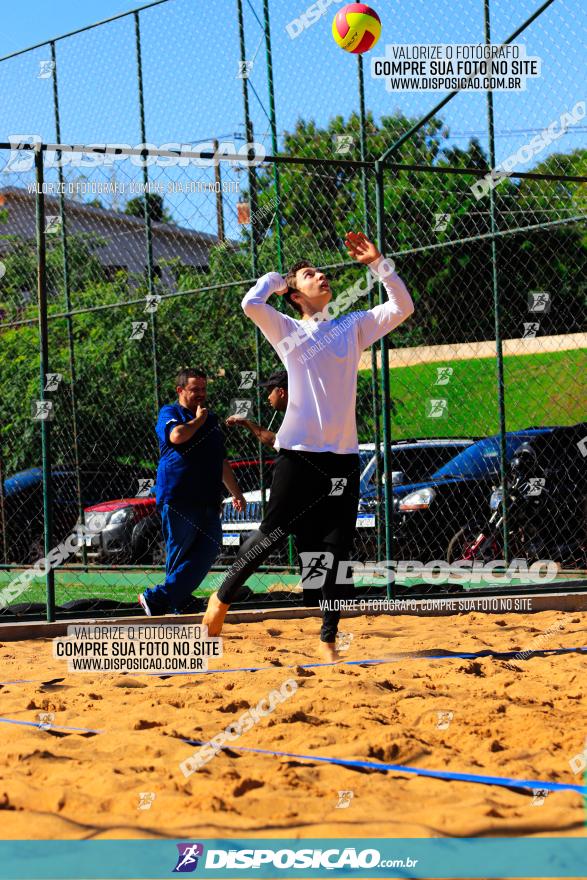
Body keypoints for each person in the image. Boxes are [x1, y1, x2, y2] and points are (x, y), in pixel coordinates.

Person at [203, 232, 414, 660]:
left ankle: (328, 639)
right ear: (295, 294)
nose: (321, 276)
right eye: (309, 274)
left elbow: (401, 307)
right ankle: (221, 599)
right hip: (298, 454)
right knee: (272, 534)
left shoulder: (351, 327)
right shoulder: (288, 330)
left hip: (343, 458)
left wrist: (380, 264)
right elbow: (250, 304)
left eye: (321, 272)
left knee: (337, 546)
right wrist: (279, 279)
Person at [138, 368, 245, 616]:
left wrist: (236, 493)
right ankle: (176, 604)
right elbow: (177, 436)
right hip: (179, 497)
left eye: (204, 389)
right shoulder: (170, 412)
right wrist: (198, 420)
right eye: (195, 389)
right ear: (180, 390)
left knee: (209, 548)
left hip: (208, 499)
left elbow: (221, 460)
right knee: (180, 554)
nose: (201, 394)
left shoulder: (212, 420)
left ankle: (156, 599)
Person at [225, 369, 288, 448]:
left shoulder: (298, 416)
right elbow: (275, 440)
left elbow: (274, 441)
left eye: (270, 392)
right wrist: (244, 422)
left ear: (281, 392)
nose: (268, 397)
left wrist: (244, 422)